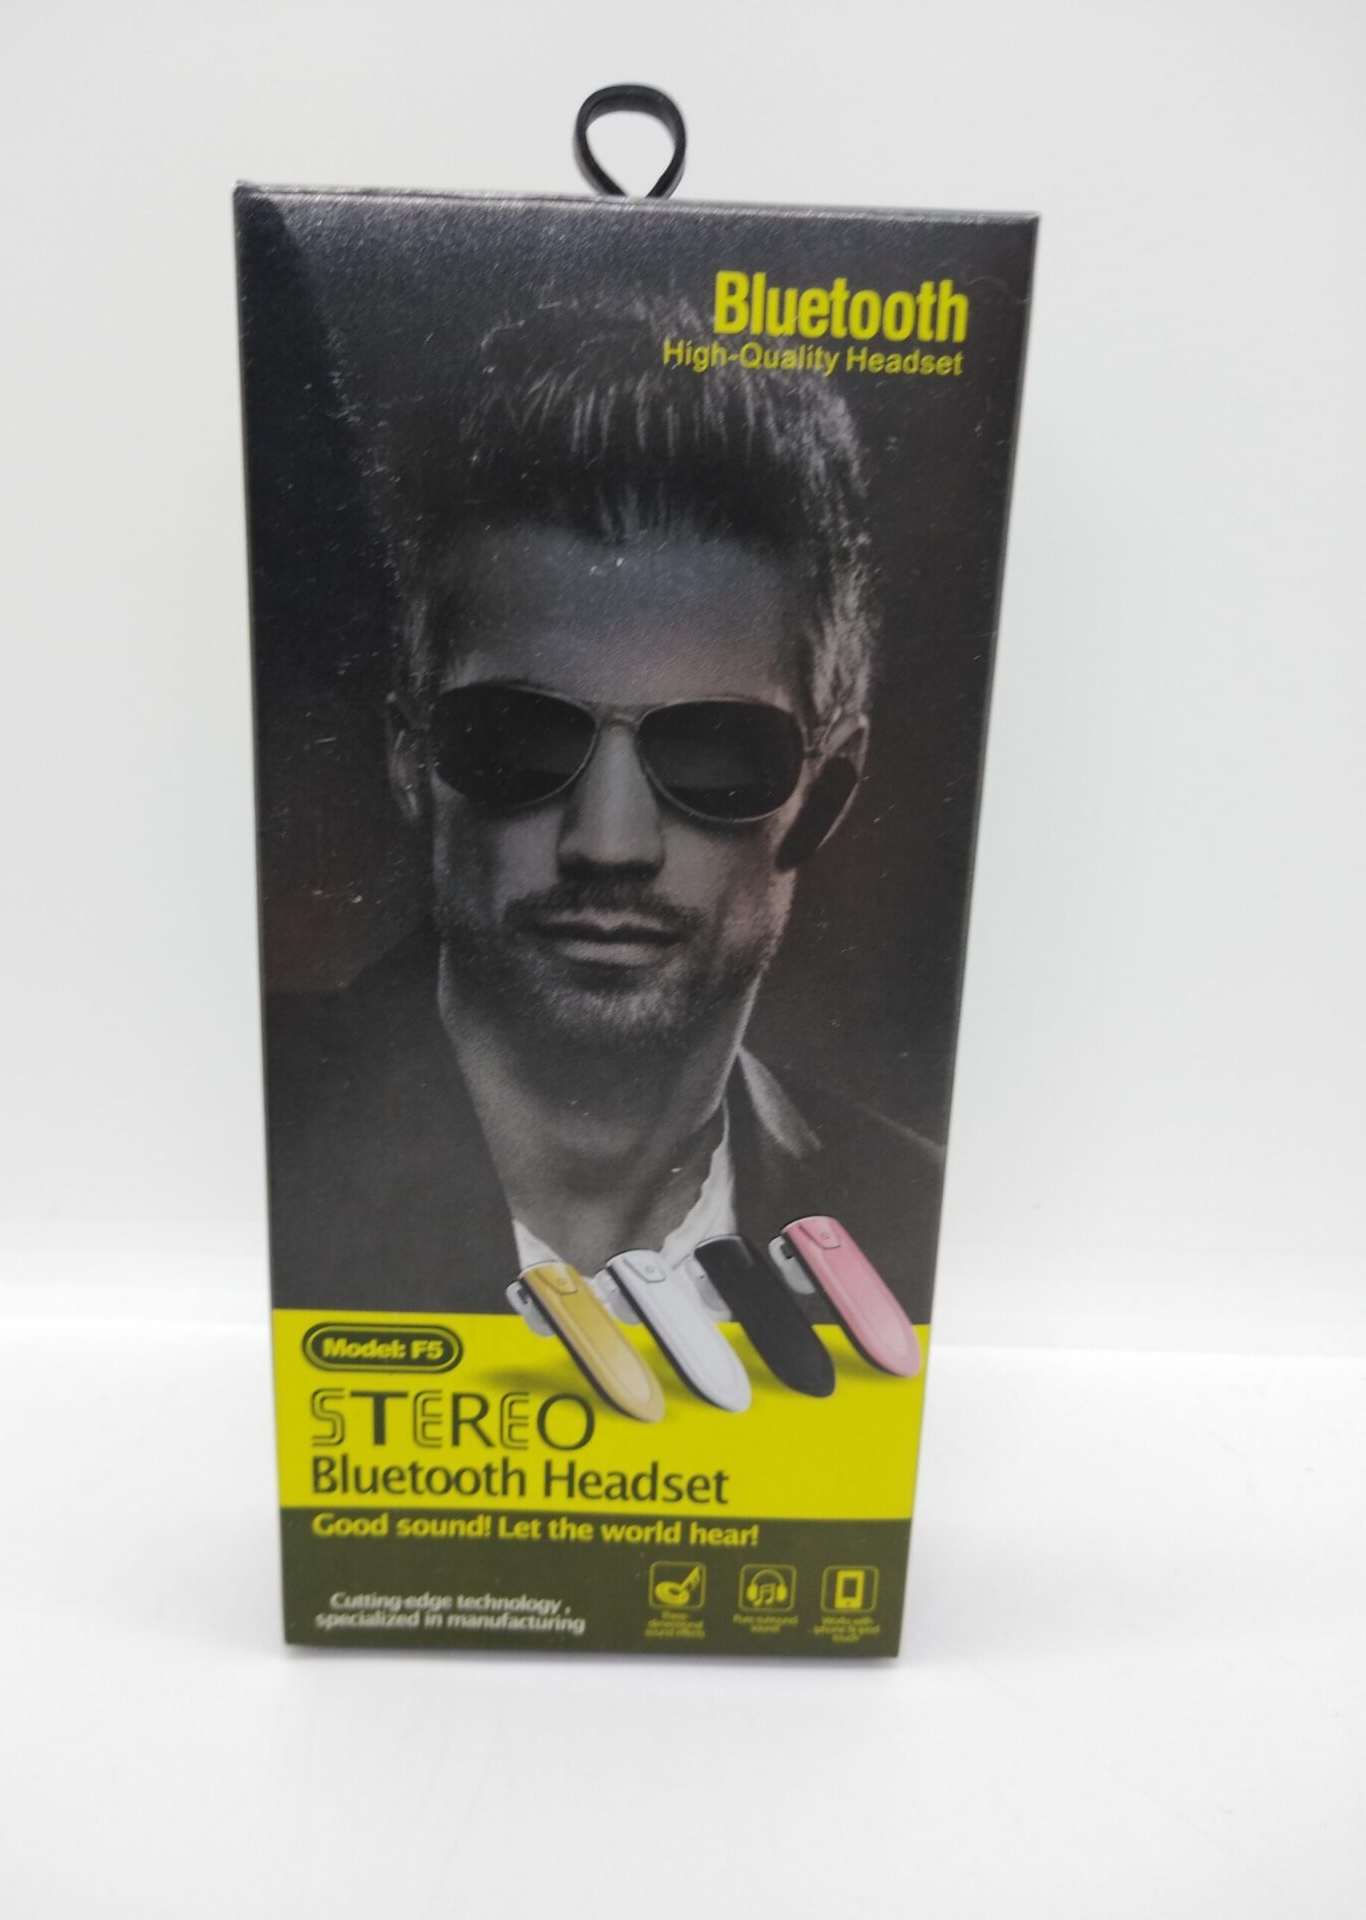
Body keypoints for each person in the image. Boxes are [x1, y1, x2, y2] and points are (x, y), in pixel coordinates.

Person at [266, 300, 942, 1319]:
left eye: (711, 752)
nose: (608, 842)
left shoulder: (915, 1218)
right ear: (411, 762)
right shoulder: (237, 1140)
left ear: (826, 794)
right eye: (521, 739)